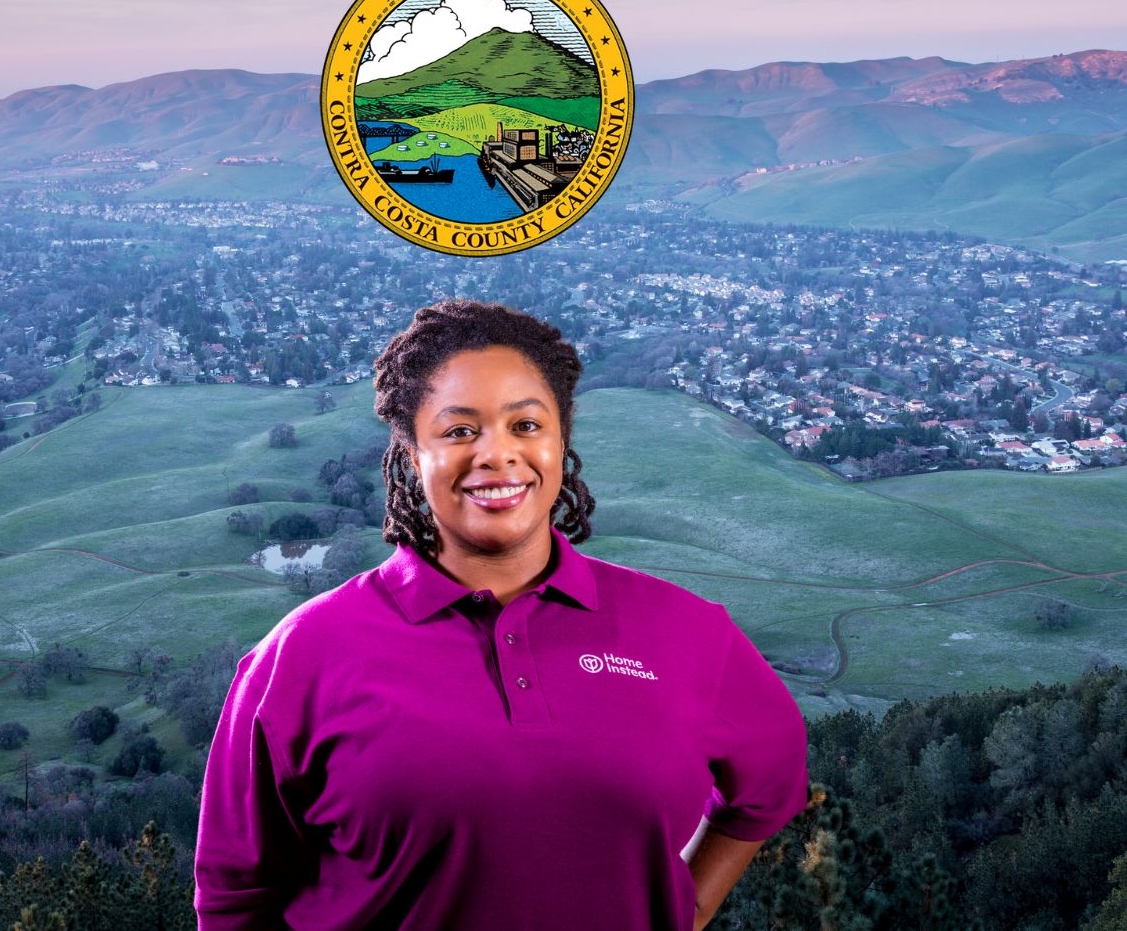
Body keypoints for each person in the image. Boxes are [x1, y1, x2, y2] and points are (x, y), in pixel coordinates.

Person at [195, 299, 810, 930]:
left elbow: (772, 780)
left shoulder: (686, 632)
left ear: (560, 439)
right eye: (460, 431)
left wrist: (687, 907)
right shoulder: (300, 656)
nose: (496, 455)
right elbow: (236, 894)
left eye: (525, 425)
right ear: (412, 455)